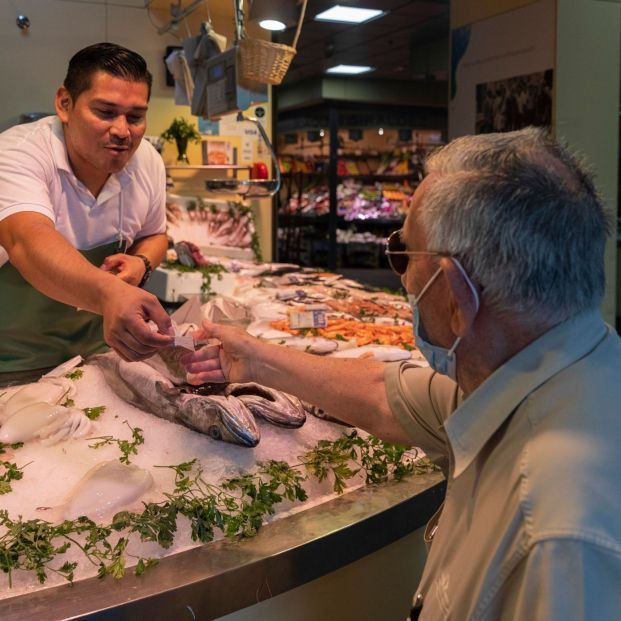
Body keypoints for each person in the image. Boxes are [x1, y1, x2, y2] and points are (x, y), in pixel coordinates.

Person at [182, 127, 621, 620]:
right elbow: (386, 396)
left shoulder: (558, 533)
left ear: (457, 296)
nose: (404, 278)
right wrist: (254, 358)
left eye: (402, 253)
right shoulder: (533, 374)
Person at [0, 42, 174, 384]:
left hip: (97, 361)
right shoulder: (16, 153)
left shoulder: (147, 161)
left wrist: (142, 263)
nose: (123, 131)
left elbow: (155, 235)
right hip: (11, 366)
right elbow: (27, 240)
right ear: (65, 104)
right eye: (106, 112)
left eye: (136, 117)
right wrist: (110, 293)